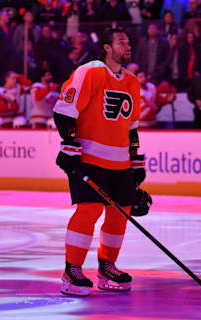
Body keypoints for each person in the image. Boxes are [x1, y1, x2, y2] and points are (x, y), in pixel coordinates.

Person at [52, 28, 147, 297]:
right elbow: (64, 111)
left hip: (119, 161)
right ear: (106, 47)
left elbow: (132, 129)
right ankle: (72, 271)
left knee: (121, 211)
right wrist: (70, 149)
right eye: (122, 42)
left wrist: (136, 162)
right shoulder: (89, 72)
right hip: (89, 158)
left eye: (129, 41)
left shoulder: (132, 82)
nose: (128, 46)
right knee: (89, 209)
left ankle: (107, 266)